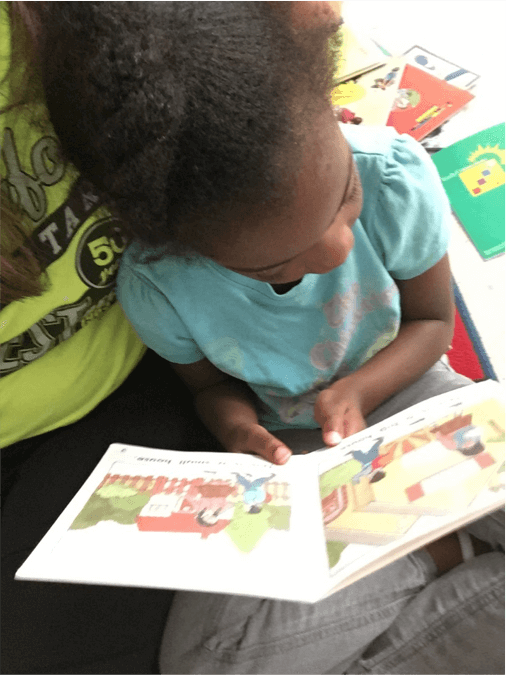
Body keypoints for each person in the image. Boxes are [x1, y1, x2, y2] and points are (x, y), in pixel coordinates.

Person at [1, 2, 503, 675]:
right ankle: (443, 557)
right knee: (210, 660)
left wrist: (359, 387)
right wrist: (241, 431)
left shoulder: (392, 174)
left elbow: (432, 324)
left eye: (345, 194)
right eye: (275, 268)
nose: (336, 249)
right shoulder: (158, 285)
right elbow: (209, 387)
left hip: (416, 400)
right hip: (298, 460)